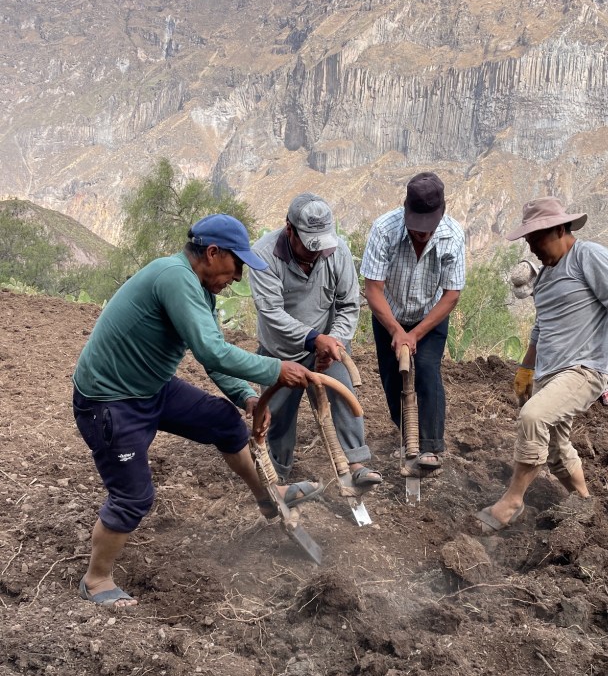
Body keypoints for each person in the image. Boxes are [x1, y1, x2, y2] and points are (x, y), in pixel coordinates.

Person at [72, 213, 319, 608]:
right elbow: (211, 351)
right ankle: (96, 580)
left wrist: (246, 396)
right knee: (133, 496)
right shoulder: (174, 277)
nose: (237, 277)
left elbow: (211, 353)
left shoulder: (199, 289)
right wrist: (276, 369)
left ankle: (268, 496)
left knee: (225, 421)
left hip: (151, 386)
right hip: (110, 400)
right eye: (236, 265)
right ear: (213, 252)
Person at [475, 196, 608, 531]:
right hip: (549, 372)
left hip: (584, 369)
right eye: (529, 240)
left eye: (536, 238)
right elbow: (541, 327)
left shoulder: (588, 256)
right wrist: (526, 369)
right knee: (556, 450)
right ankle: (586, 507)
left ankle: (511, 502)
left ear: (559, 229)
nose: (532, 248)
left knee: (533, 417)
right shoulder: (545, 276)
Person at [248, 193, 381, 489]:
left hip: (327, 345)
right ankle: (278, 475)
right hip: (280, 350)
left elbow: (348, 305)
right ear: (290, 229)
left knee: (343, 396)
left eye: (322, 244)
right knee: (277, 416)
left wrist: (334, 341)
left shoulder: (337, 251)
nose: (317, 251)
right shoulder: (263, 255)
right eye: (310, 244)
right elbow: (271, 313)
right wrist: (312, 339)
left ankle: (356, 463)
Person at [361, 172, 466, 473]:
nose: (422, 234)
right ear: (406, 210)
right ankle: (409, 438)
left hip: (430, 316)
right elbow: (373, 289)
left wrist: (416, 334)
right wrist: (396, 330)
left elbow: (451, 294)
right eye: (416, 226)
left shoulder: (453, 236)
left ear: (441, 213)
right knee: (392, 378)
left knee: (428, 371)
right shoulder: (384, 229)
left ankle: (431, 446)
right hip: (389, 314)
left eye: (428, 227)